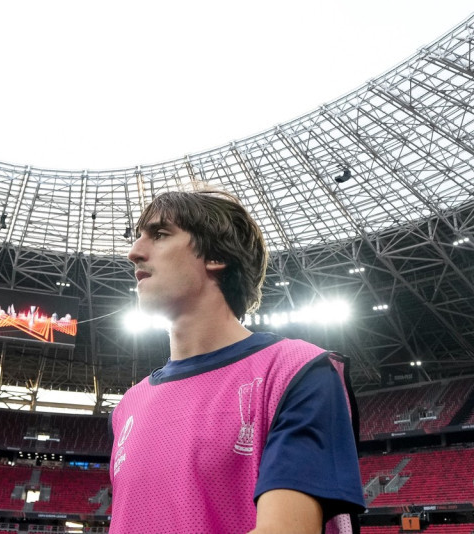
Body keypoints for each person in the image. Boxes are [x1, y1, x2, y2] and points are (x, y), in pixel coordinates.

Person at [109, 189, 366, 534]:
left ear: (215, 255)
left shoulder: (296, 372)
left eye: (159, 234)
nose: (134, 252)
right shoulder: (128, 406)